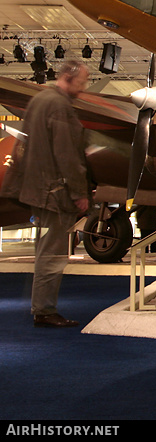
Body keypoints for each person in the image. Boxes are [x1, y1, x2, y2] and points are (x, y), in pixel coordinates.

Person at [1, 59, 92, 327]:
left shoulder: (40, 100)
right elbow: (67, 153)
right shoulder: (59, 106)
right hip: (54, 192)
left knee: (46, 250)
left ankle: (42, 308)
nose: (83, 88)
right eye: (82, 82)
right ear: (68, 77)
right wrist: (79, 192)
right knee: (52, 255)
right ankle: (44, 310)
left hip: (40, 189)